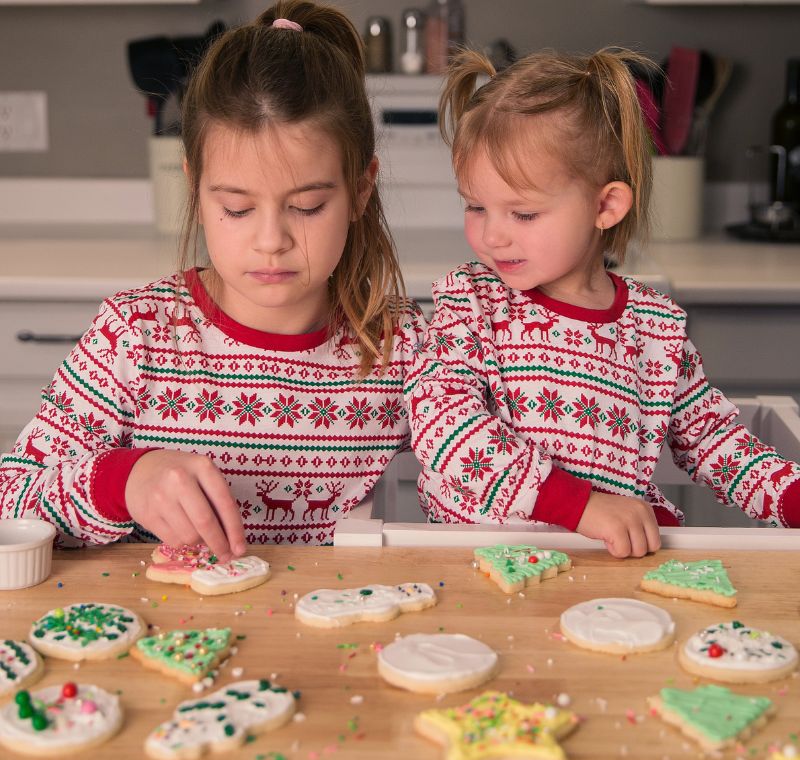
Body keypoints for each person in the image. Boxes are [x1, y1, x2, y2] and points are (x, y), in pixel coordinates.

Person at [0, 0, 425, 558]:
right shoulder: (136, 335)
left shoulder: (403, 346)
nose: (270, 240)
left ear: (360, 191)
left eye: (308, 206)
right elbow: (10, 500)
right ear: (196, 191)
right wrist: (123, 480)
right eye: (238, 209)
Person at [405, 46, 800, 557]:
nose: (492, 236)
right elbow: (447, 428)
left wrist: (791, 496)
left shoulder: (654, 330)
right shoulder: (470, 304)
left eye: (522, 214)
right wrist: (581, 505)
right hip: (477, 566)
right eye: (476, 206)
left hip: (606, 574)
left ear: (606, 205)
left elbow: (714, 442)